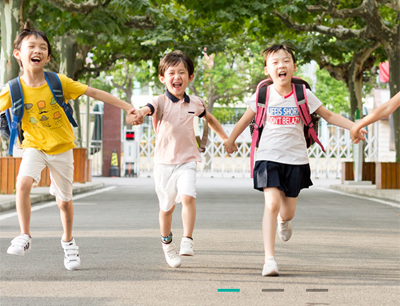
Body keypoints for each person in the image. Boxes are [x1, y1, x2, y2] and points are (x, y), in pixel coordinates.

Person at [0, 21, 136, 270]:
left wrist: (128, 107)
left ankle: (68, 242)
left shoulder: (58, 82)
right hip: (34, 147)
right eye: (31, 46)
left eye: (43, 47)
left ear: (48, 56)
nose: (37, 50)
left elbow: (94, 93)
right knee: (22, 183)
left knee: (64, 202)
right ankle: (24, 235)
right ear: (18, 54)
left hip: (62, 148)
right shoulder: (12, 89)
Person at [224, 44, 365, 276]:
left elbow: (328, 115)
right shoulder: (262, 95)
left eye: (286, 61)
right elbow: (244, 120)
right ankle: (269, 259)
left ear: (294, 66)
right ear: (267, 70)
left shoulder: (303, 94)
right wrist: (231, 140)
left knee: (287, 212)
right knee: (271, 204)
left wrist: (354, 127)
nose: (281, 65)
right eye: (275, 62)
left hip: (296, 160)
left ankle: (284, 221)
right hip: (267, 157)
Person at [126, 50, 230, 268]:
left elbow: (209, 119)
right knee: (166, 209)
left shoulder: (196, 103)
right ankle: (167, 244)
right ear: (162, 77)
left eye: (182, 72)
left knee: (188, 196)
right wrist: (139, 114)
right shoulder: (160, 101)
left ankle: (187, 240)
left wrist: (225, 138)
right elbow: (147, 109)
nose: (177, 77)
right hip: (164, 164)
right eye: (171, 72)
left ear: (190, 77)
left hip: (188, 161)